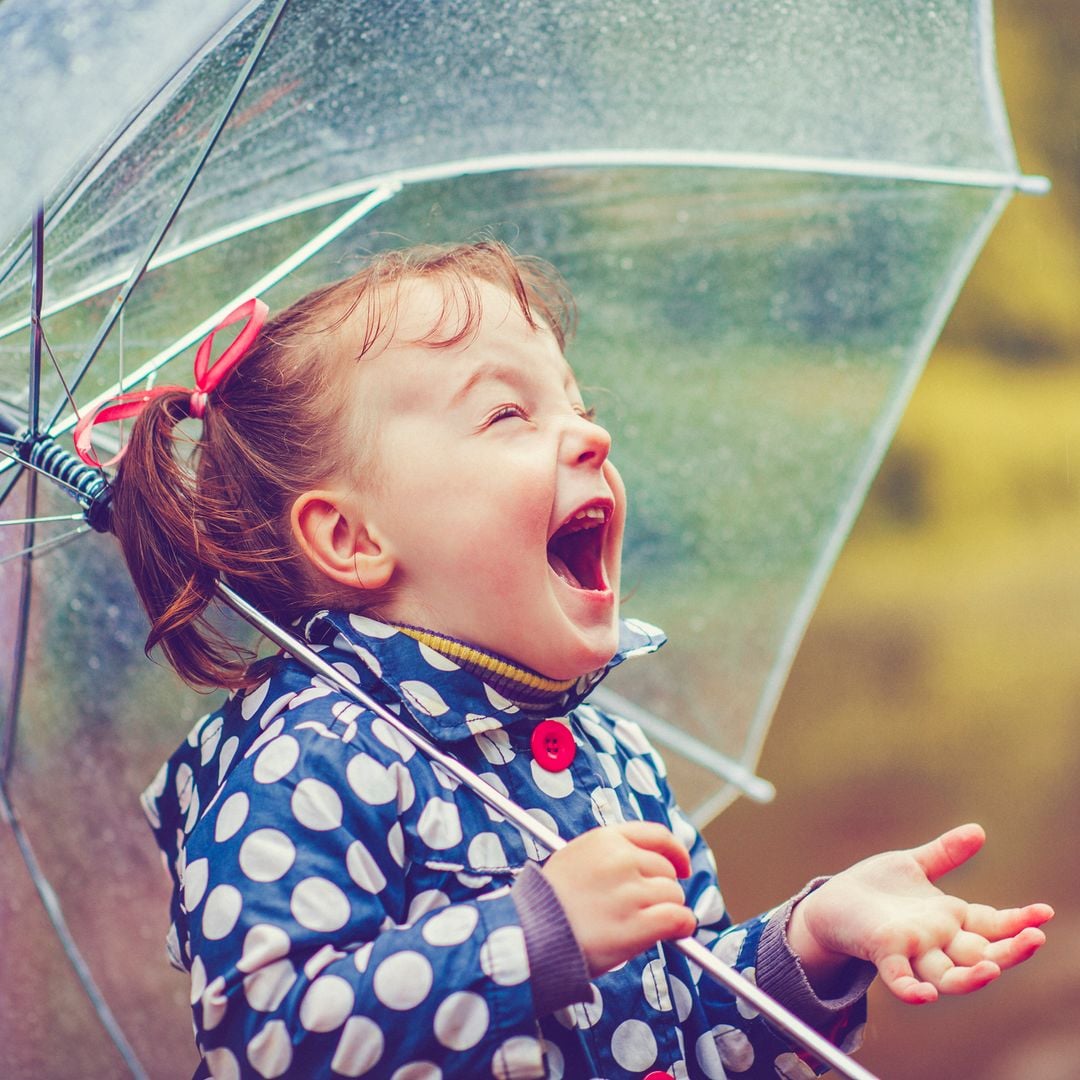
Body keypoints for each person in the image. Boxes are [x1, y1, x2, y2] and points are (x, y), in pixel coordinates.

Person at [87, 242, 1053, 1079]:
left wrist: (815, 938)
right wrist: (534, 932)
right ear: (348, 536)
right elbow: (268, 1045)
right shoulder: (306, 767)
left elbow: (695, 1031)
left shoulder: (612, 759)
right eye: (508, 416)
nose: (590, 434)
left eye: (577, 405)